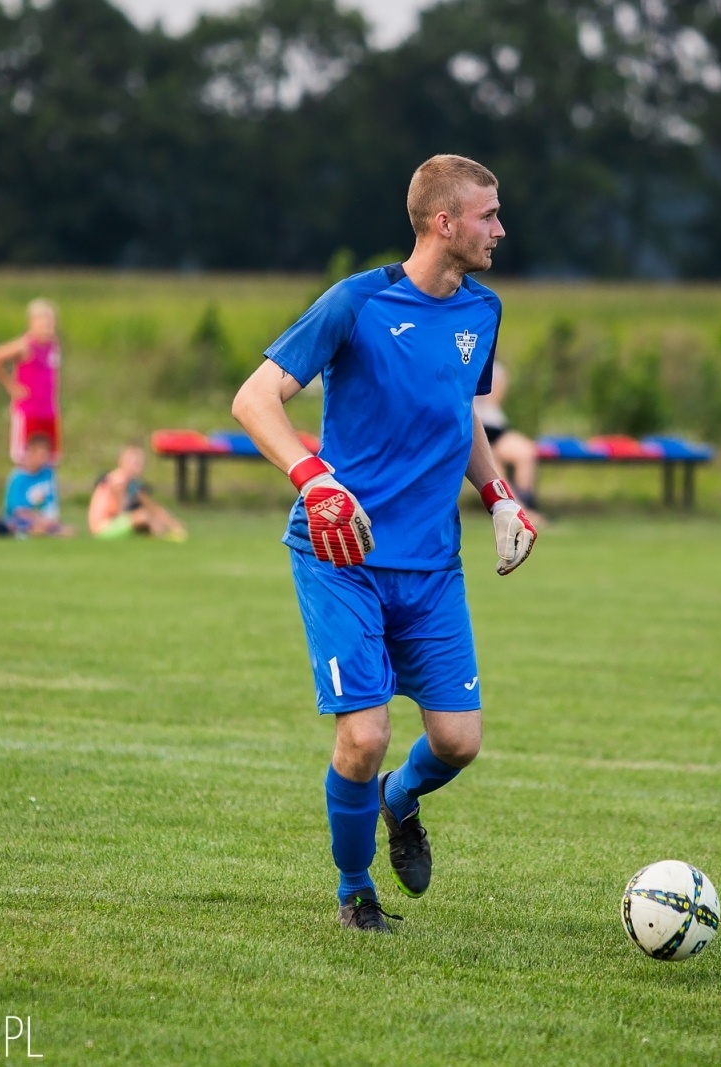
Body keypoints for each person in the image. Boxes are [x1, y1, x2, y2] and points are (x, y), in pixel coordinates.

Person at [231, 154, 538, 934]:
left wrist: (499, 492)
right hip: (342, 555)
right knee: (363, 736)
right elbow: (254, 397)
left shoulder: (483, 310)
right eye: (488, 215)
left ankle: (399, 802)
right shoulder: (356, 303)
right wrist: (313, 478)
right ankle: (354, 890)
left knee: (459, 743)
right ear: (445, 224)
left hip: (432, 565)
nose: (500, 228)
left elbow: (457, 412)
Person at [0, 298, 62, 466]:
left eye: (50, 321)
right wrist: (10, 385)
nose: (47, 325)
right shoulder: (25, 345)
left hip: (48, 411)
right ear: (32, 322)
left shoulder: (53, 345)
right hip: (28, 411)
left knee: (50, 458)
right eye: (43, 321)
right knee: (26, 458)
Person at [472, 360, 543, 514]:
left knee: (526, 452)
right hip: (472, 427)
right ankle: (517, 510)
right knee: (493, 466)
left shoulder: (496, 369)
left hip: (494, 427)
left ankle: (527, 504)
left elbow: (493, 401)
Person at [87, 445, 187, 541]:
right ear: (123, 462)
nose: (139, 466)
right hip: (103, 528)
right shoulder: (118, 481)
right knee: (143, 516)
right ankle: (162, 537)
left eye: (141, 463)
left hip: (114, 524)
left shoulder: (131, 483)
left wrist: (172, 523)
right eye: (135, 463)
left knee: (147, 516)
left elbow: (151, 505)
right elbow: (119, 512)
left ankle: (164, 534)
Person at [4, 433, 73, 537]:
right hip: (22, 520)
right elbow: (17, 510)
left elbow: (51, 503)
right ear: (30, 453)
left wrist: (51, 520)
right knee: (27, 526)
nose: (44, 460)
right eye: (41, 455)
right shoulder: (18, 478)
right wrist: (39, 520)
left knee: (68, 531)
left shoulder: (47, 474)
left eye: (45, 456)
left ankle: (47, 531)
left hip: (44, 519)